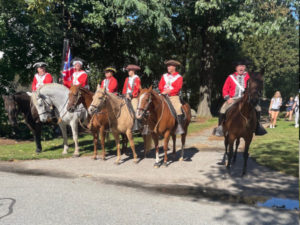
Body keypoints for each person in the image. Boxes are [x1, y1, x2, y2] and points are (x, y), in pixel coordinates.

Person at [214, 60, 267, 136]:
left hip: (246, 99)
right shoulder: (230, 77)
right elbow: (225, 89)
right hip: (233, 99)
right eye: (239, 66)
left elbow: (255, 84)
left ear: (245, 67)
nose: (241, 68)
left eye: (243, 66)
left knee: (258, 108)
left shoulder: (249, 76)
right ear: (236, 68)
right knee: (223, 109)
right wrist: (228, 98)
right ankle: (220, 127)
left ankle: (258, 126)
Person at [158, 59, 184, 134]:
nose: (168, 67)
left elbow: (178, 88)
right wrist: (163, 91)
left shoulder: (179, 77)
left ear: (174, 67)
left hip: (173, 96)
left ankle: (179, 126)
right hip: (163, 95)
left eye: (170, 66)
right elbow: (160, 85)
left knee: (178, 108)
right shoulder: (164, 76)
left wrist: (169, 91)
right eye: (167, 66)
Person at [122, 64, 142, 132]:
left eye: (129, 70)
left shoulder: (137, 78)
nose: (128, 72)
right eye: (128, 70)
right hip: (126, 96)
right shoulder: (126, 79)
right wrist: (125, 94)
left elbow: (137, 89)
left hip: (134, 97)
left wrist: (130, 95)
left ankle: (137, 125)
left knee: (135, 108)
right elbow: (124, 88)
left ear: (133, 71)